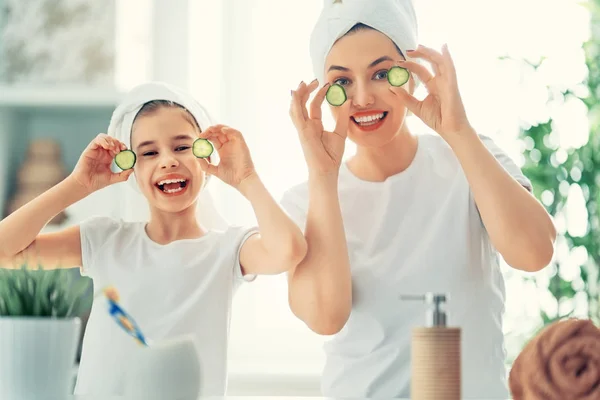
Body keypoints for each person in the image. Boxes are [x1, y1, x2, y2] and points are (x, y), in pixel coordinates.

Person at [282, 0, 557, 398]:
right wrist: (324, 178)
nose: (362, 98)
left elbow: (535, 253)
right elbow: (325, 316)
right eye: (341, 82)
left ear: (411, 73)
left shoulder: (471, 157)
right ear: (322, 93)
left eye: (380, 73)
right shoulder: (304, 200)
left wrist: (458, 131)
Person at [0, 82, 307, 396]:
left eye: (182, 147)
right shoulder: (105, 239)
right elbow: (5, 251)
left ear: (206, 155)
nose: (168, 161)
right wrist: (78, 185)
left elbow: (289, 251)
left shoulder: (228, 249)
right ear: (131, 168)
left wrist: (246, 177)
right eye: (149, 152)